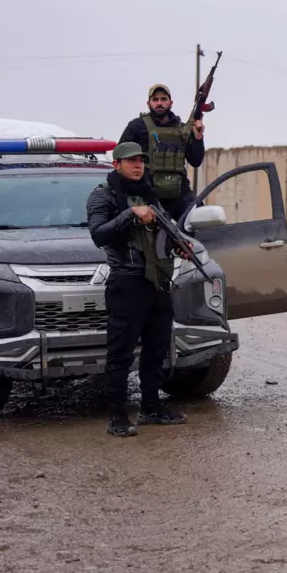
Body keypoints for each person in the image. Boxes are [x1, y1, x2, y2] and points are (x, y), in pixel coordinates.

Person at [86, 141, 189, 436]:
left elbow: (163, 231)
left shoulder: (148, 193)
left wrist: (179, 246)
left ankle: (151, 409)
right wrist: (132, 213)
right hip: (127, 282)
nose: (138, 165)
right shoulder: (102, 195)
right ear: (116, 164)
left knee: (156, 349)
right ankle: (117, 417)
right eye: (130, 161)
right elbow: (98, 234)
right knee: (121, 353)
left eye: (141, 161)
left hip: (156, 281)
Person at [118, 83, 206, 224]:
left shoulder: (183, 129)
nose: (159, 103)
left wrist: (198, 138)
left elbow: (195, 161)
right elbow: (120, 158)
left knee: (201, 222)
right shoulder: (136, 127)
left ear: (171, 103)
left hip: (180, 195)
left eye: (164, 99)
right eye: (155, 99)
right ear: (148, 103)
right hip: (148, 195)